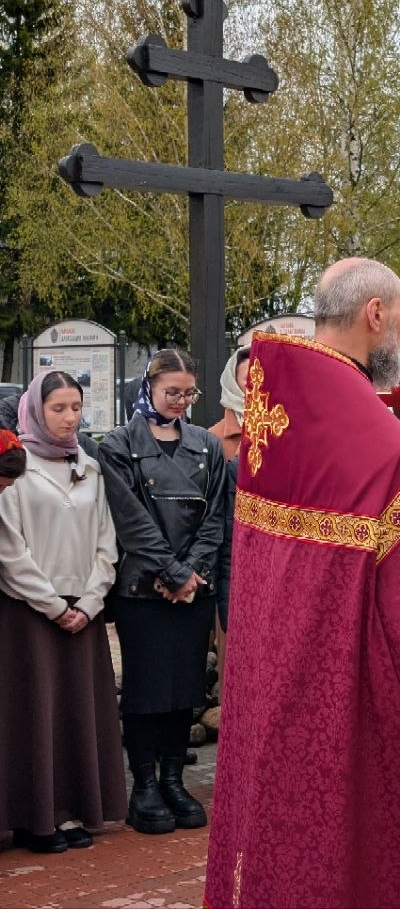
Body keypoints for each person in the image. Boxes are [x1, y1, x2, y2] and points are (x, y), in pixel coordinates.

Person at [205, 258, 400, 907]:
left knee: (282, 837)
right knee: (359, 850)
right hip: (349, 687)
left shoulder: (281, 403)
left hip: (272, 678)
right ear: (375, 314)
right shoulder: (371, 434)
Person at [98, 349, 228, 837]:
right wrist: (171, 571)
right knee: (146, 688)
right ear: (148, 387)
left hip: (192, 591)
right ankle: (145, 785)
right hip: (142, 590)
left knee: (184, 689)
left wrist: (190, 573)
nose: (180, 401)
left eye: (189, 393)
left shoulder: (205, 445)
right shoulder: (119, 445)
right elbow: (129, 518)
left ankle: (174, 779)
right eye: (172, 392)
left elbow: (215, 517)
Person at [0, 378, 124, 854]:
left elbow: (106, 541)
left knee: (75, 712)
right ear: (35, 410)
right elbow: (10, 551)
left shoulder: (88, 466)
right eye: (58, 408)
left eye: (76, 406)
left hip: (83, 614)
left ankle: (72, 809)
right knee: (34, 715)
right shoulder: (15, 468)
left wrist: (90, 602)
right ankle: (34, 818)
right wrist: (53, 605)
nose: (70, 417)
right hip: (29, 615)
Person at [209, 347, 250, 462]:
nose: (259, 384)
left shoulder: (288, 427)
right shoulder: (213, 438)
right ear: (233, 385)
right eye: (250, 379)